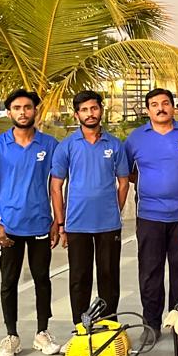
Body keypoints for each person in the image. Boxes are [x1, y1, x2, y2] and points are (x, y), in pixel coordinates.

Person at [0, 89, 61, 356]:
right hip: (9, 228)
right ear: (9, 112)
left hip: (40, 225)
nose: (23, 112)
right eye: (17, 108)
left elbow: (56, 185)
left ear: (35, 110)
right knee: (9, 282)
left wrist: (57, 221)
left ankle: (42, 332)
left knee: (42, 279)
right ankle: (11, 336)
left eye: (27, 107)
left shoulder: (49, 144)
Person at [50, 90, 130, 329]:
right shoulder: (67, 146)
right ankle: (80, 326)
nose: (90, 113)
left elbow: (124, 183)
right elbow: (56, 187)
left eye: (94, 108)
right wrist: (61, 224)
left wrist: (115, 210)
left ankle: (109, 324)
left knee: (109, 276)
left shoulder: (114, 145)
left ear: (101, 110)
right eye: (84, 110)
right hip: (77, 224)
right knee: (79, 278)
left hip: (108, 224)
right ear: (77, 115)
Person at [125, 88, 178, 339]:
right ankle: (152, 323)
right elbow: (127, 172)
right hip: (149, 215)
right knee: (150, 271)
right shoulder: (136, 138)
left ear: (173, 107)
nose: (161, 108)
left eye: (165, 103)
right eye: (154, 104)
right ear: (147, 110)